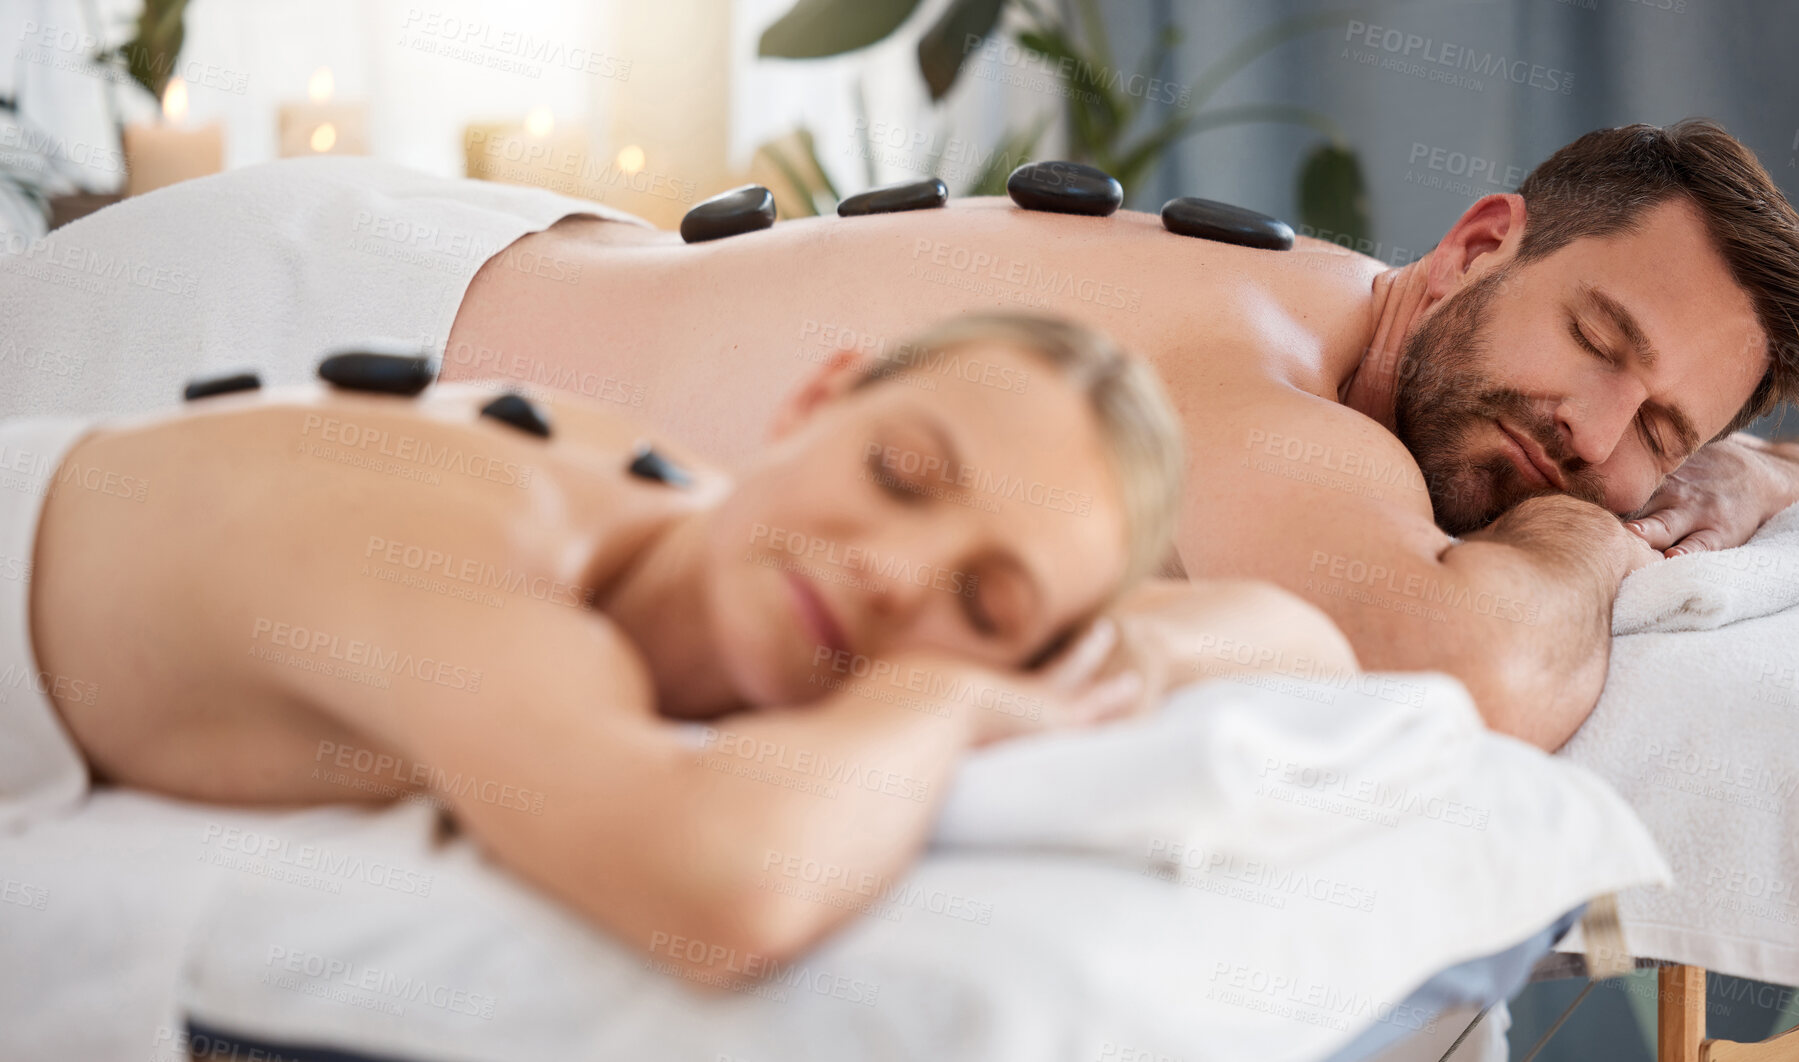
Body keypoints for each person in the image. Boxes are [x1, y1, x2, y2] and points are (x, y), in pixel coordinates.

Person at [0, 119, 1799, 747]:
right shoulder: (1289, 412)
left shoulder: (1359, 306)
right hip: (290, 341)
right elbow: (1465, 660)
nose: (1587, 433)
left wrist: (1759, 465)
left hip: (402, 263)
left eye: (1654, 427)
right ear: (1474, 250)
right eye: (1595, 341)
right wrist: (1612, 537)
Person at [10, 312, 1355, 977]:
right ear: (816, 395)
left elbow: (1306, 647)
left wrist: (1089, 655)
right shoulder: (492, 564)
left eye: (990, 599)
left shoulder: (710, 542)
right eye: (897, 472)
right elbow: (729, 888)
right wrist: (939, 697)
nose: (890, 574)